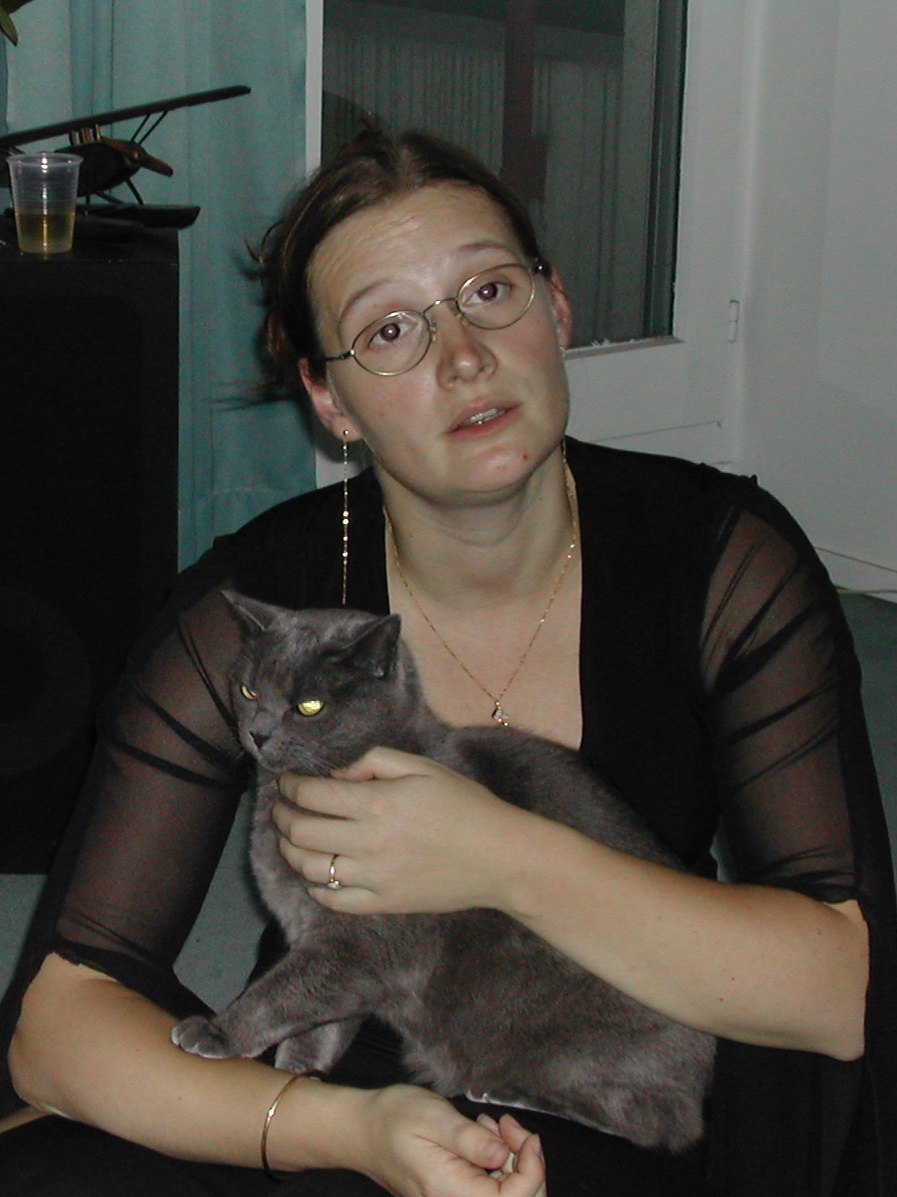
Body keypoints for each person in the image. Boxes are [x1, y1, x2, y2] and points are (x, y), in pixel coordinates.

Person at [1, 125, 894, 1197]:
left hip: (597, 1055)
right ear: (331, 401)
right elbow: (59, 1024)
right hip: (344, 1076)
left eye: (488, 293)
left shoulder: (717, 558)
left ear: (555, 309)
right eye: (389, 330)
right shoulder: (262, 604)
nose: (463, 356)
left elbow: (839, 992)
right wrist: (342, 1128)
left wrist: (498, 853)